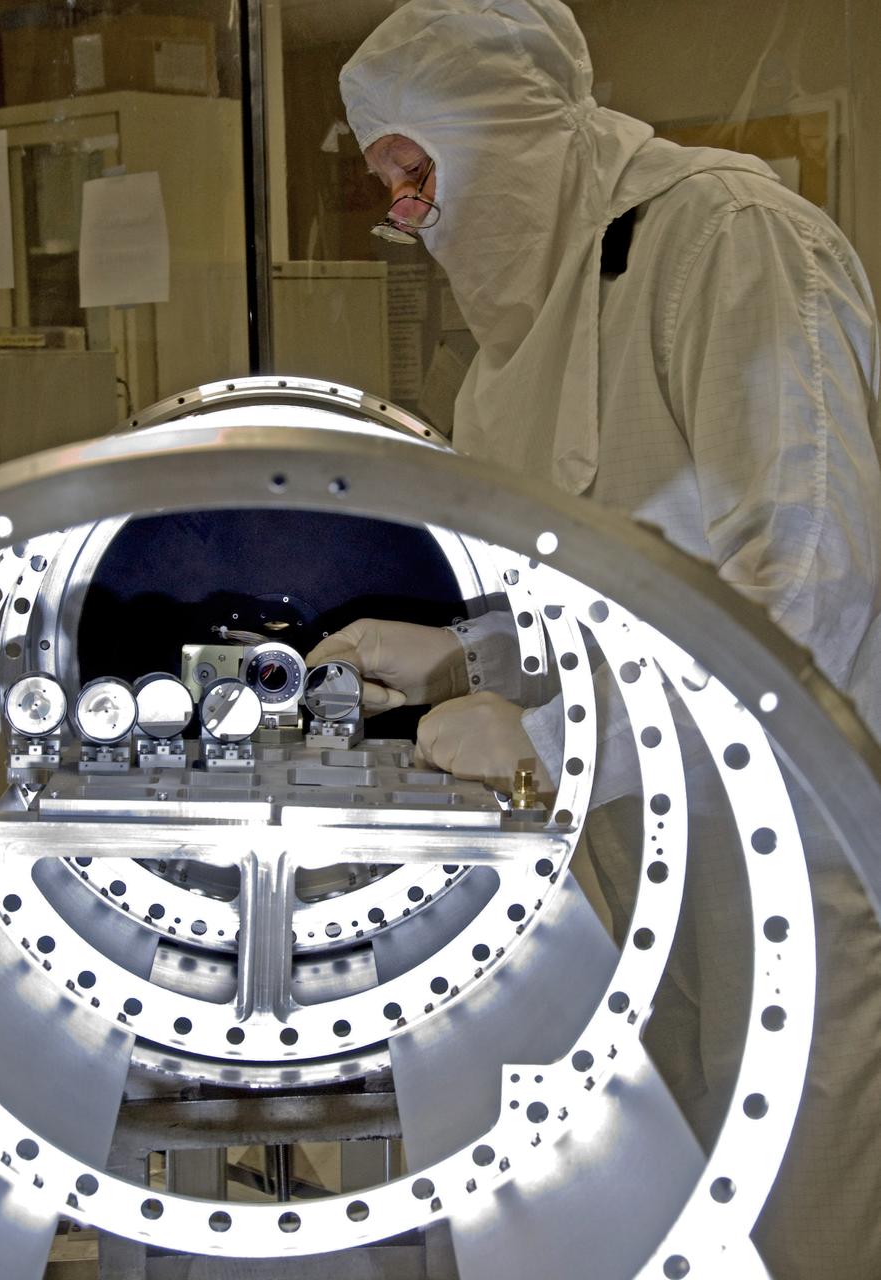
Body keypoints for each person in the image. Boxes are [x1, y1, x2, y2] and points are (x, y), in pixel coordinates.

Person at [306, 2, 881, 1277]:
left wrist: (564, 738)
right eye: (388, 186)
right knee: (665, 1187)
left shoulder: (727, 241)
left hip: (809, 836)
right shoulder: (509, 353)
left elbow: (811, 586)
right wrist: (463, 661)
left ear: (502, 136)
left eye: (419, 173)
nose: (409, 217)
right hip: (655, 827)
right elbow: (596, 592)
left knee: (800, 1193)